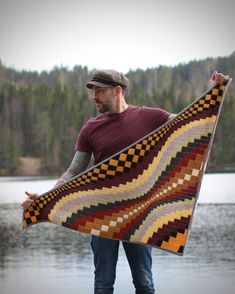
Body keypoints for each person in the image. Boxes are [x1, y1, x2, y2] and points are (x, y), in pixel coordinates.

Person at [21, 69, 229, 294]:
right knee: (103, 284)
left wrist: (214, 91)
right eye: (93, 91)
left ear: (117, 90)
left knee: (144, 283)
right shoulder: (90, 128)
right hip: (101, 217)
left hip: (140, 216)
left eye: (100, 91)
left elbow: (189, 124)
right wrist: (44, 199)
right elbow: (73, 173)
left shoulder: (150, 117)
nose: (94, 97)